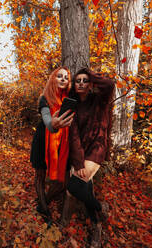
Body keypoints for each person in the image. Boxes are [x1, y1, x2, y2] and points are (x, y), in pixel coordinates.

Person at [66, 68, 115, 245]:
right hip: (82, 151)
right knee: (83, 187)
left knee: (74, 186)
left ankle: (99, 209)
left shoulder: (99, 100)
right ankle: (97, 224)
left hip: (96, 149)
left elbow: (109, 84)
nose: (80, 83)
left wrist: (88, 73)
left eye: (84, 80)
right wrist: (78, 162)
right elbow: (74, 136)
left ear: (90, 84)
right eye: (77, 80)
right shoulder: (73, 106)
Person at [30, 66, 75, 220]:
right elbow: (47, 120)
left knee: (62, 182)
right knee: (40, 175)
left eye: (66, 77)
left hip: (63, 143)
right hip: (43, 141)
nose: (63, 79)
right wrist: (53, 123)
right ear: (53, 79)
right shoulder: (45, 98)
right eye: (59, 76)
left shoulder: (69, 99)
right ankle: (43, 208)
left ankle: (43, 202)